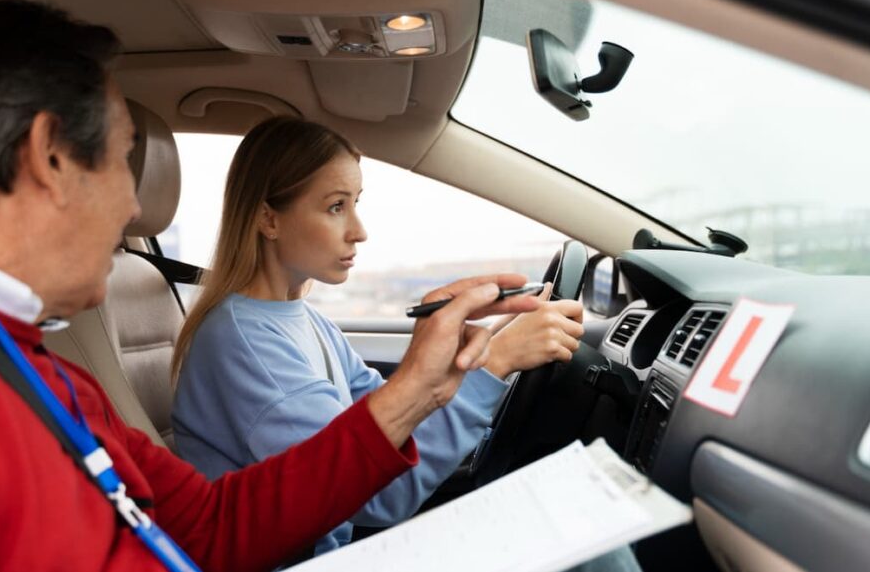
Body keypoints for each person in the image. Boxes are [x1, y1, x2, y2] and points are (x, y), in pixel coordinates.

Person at [0, 0, 541, 572]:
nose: (134, 210)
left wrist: (420, 383)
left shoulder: (34, 365)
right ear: (50, 157)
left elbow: (212, 525)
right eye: (121, 164)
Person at [170, 117, 587, 556]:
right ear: (268, 219)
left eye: (356, 203)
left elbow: (385, 413)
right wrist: (494, 363)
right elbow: (374, 492)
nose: (359, 230)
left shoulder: (302, 321)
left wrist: (478, 348)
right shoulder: (246, 343)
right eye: (336, 206)